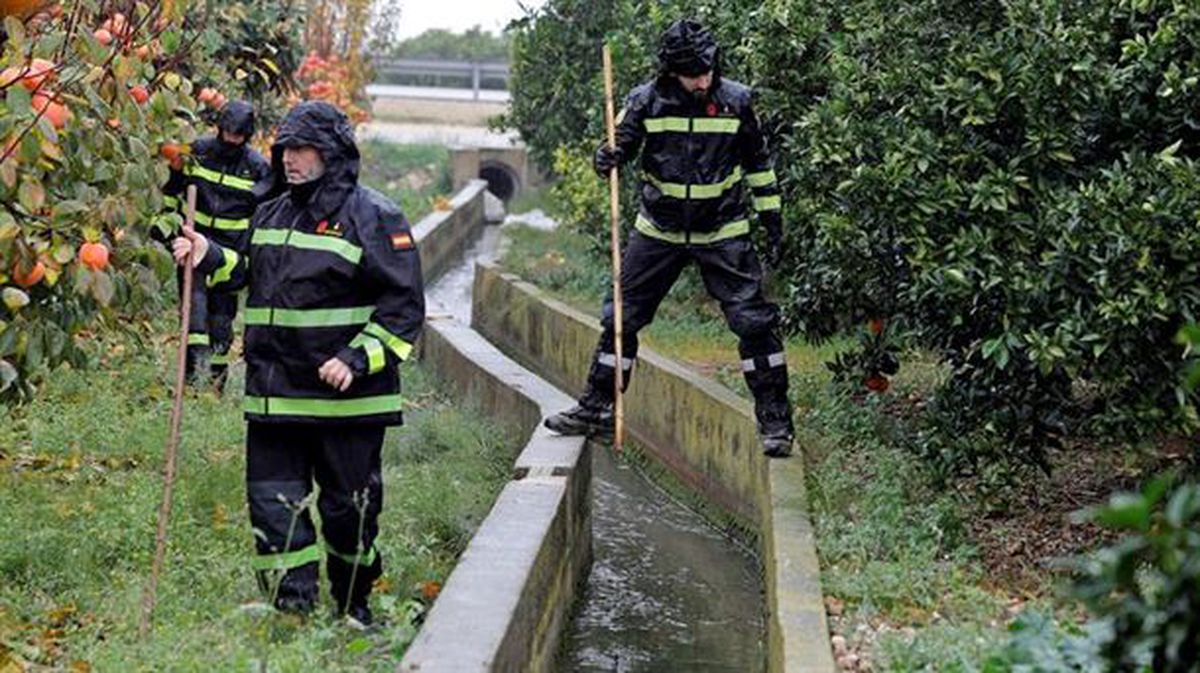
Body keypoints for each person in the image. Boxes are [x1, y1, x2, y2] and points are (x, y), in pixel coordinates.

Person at [171, 101, 425, 626]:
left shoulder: (375, 217)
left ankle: (354, 604)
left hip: (346, 407)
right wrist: (208, 254)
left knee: (347, 515)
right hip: (273, 398)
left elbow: (403, 309)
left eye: (303, 149)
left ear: (332, 154)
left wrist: (356, 359)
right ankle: (294, 614)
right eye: (285, 148)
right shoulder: (270, 212)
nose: (290, 159)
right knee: (272, 507)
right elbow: (248, 271)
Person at [544, 19, 794, 457]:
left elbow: (759, 165)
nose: (703, 79)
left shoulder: (737, 102)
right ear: (671, 71)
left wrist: (772, 221)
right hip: (658, 231)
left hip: (724, 230)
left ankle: (775, 423)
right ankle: (597, 409)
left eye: (708, 69)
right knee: (621, 318)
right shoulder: (646, 101)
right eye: (693, 72)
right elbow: (613, 150)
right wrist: (606, 157)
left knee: (755, 324)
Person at [158, 100, 272, 389]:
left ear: (247, 136)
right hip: (192, 245)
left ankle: (216, 384)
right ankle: (190, 382)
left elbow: (263, 216)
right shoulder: (196, 153)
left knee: (221, 321)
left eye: (238, 137)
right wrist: (168, 231)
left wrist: (248, 254)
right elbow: (171, 192)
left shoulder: (257, 168)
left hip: (229, 255)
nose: (231, 141)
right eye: (227, 134)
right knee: (194, 317)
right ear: (219, 128)